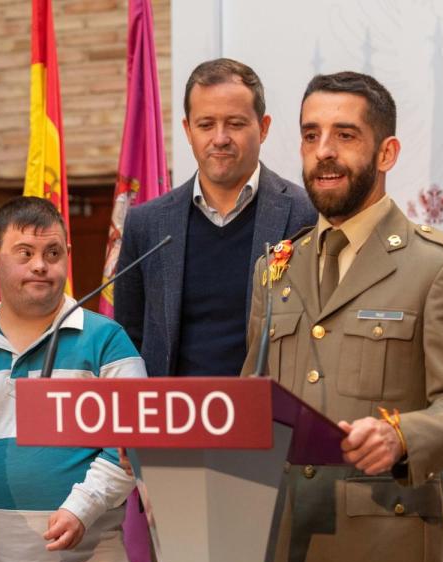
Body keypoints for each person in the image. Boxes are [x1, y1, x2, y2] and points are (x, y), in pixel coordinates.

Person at [242, 71, 443, 562]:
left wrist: (401, 437)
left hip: (386, 546)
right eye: (311, 135)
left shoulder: (439, 265)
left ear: (386, 153)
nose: (324, 151)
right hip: (280, 544)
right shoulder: (276, 267)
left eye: (345, 135)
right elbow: (253, 397)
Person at [0, 197, 145, 562]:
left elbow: (134, 442)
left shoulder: (108, 341)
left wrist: (80, 508)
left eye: (52, 252)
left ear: (67, 254)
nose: (40, 265)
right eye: (25, 253)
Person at [114, 57, 316, 379]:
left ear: (263, 128)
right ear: (187, 129)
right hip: (174, 421)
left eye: (235, 124)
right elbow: (129, 344)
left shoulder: (307, 215)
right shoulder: (146, 226)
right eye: (206, 125)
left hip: (270, 419)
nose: (220, 138)